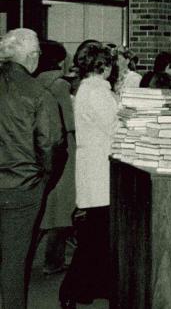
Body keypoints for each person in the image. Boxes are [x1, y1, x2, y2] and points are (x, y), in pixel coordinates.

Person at [0, 28, 62, 309]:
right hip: (22, 189)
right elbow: (51, 145)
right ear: (32, 56)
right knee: (14, 262)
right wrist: (43, 181)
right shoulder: (40, 94)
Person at [59, 45, 120, 309]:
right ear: (103, 66)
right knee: (95, 236)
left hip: (93, 168)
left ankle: (85, 289)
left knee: (97, 234)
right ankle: (71, 289)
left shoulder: (87, 89)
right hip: (99, 169)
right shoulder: (97, 92)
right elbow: (115, 126)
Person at [34, 40, 76, 276]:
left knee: (47, 206)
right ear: (60, 60)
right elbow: (69, 122)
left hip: (42, 149)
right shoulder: (60, 85)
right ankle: (54, 260)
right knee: (62, 207)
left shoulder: (35, 81)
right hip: (65, 149)